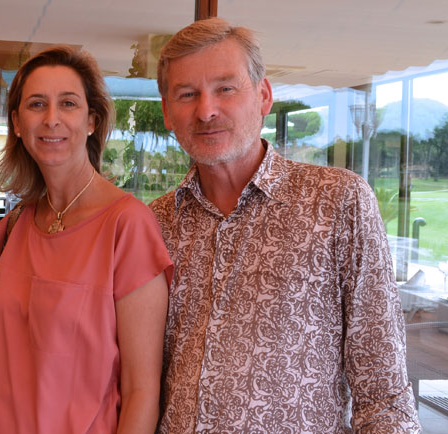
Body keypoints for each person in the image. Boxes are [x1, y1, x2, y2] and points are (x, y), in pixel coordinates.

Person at [150, 18, 421, 432]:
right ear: (168, 112)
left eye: (226, 88)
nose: (206, 109)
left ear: (263, 96)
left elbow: (383, 390)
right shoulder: (155, 223)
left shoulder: (337, 201)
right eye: (187, 94)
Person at [0, 47, 172, 434]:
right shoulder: (17, 225)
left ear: (92, 120)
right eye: (36, 104)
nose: (51, 119)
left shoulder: (126, 226)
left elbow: (142, 391)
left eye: (68, 104)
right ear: (16, 122)